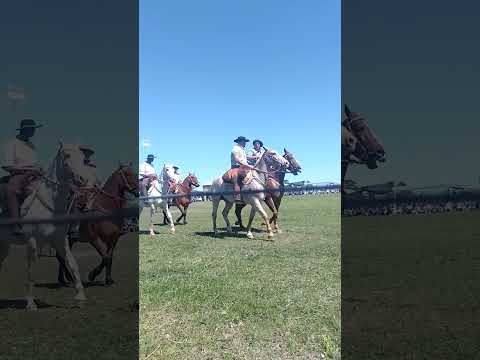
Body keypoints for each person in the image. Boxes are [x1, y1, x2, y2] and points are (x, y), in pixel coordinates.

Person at [1, 119, 43, 235]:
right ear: (25, 130)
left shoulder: (31, 145)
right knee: (11, 190)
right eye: (31, 129)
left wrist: (39, 169)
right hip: (18, 175)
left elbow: (34, 163)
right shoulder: (10, 144)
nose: (33, 131)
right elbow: (7, 166)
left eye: (34, 129)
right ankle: (15, 224)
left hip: (35, 175)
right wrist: (28, 170)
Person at [68, 145, 102, 241]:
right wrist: (74, 188)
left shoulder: (93, 167)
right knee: (76, 201)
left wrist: (98, 186)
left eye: (88, 154)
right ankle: (74, 229)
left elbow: (98, 181)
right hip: (79, 192)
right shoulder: (75, 166)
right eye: (84, 153)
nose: (86, 156)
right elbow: (70, 180)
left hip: (92, 192)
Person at [223, 136, 255, 201]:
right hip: (236, 167)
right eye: (244, 142)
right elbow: (237, 159)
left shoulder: (242, 149)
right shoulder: (235, 149)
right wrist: (247, 165)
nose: (245, 143)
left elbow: (246, 157)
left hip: (244, 167)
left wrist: (256, 157)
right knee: (236, 177)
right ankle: (237, 195)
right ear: (241, 142)